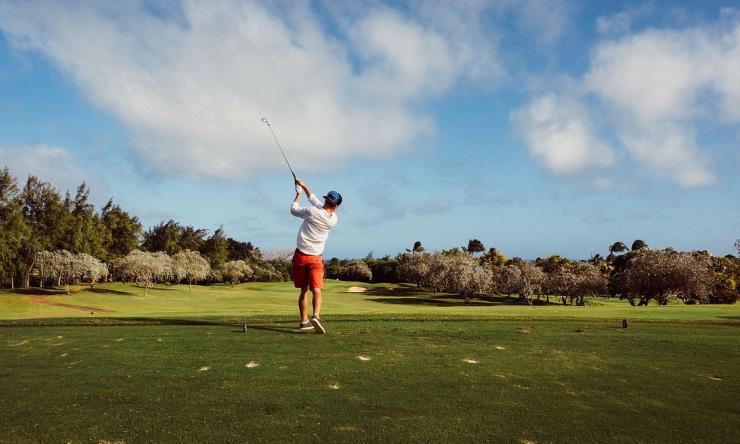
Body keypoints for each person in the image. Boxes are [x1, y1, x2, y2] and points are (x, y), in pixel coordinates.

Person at [290, 178, 342, 334]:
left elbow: (294, 209)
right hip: (316, 258)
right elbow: (315, 201)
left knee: (304, 290)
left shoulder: (313, 212)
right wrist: (304, 186)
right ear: (336, 206)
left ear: (327, 200)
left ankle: (304, 321)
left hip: (301, 256)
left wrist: (298, 193)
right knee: (317, 289)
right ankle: (316, 316)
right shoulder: (333, 220)